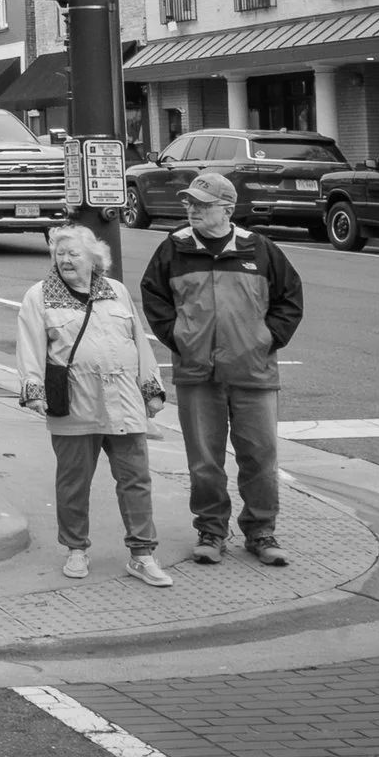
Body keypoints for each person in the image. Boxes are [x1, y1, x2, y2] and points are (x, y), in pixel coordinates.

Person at [140, 169, 305, 566]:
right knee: (204, 460)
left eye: (201, 204)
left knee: (260, 456)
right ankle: (211, 530)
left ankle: (261, 531)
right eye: (189, 203)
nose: (191, 210)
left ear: (227, 209)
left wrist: (265, 340)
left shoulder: (260, 250)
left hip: (254, 372)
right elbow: (154, 299)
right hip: (197, 373)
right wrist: (181, 338)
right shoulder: (173, 249)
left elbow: (290, 300)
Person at [16, 225, 173, 586]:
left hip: (124, 402)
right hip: (75, 403)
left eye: (74, 253)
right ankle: (75, 549)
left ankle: (142, 554)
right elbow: (30, 347)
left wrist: (151, 389)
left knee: (136, 480)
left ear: (94, 259)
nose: (66, 259)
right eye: (60, 253)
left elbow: (139, 342)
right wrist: (33, 389)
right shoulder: (39, 296)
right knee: (73, 482)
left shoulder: (115, 291)